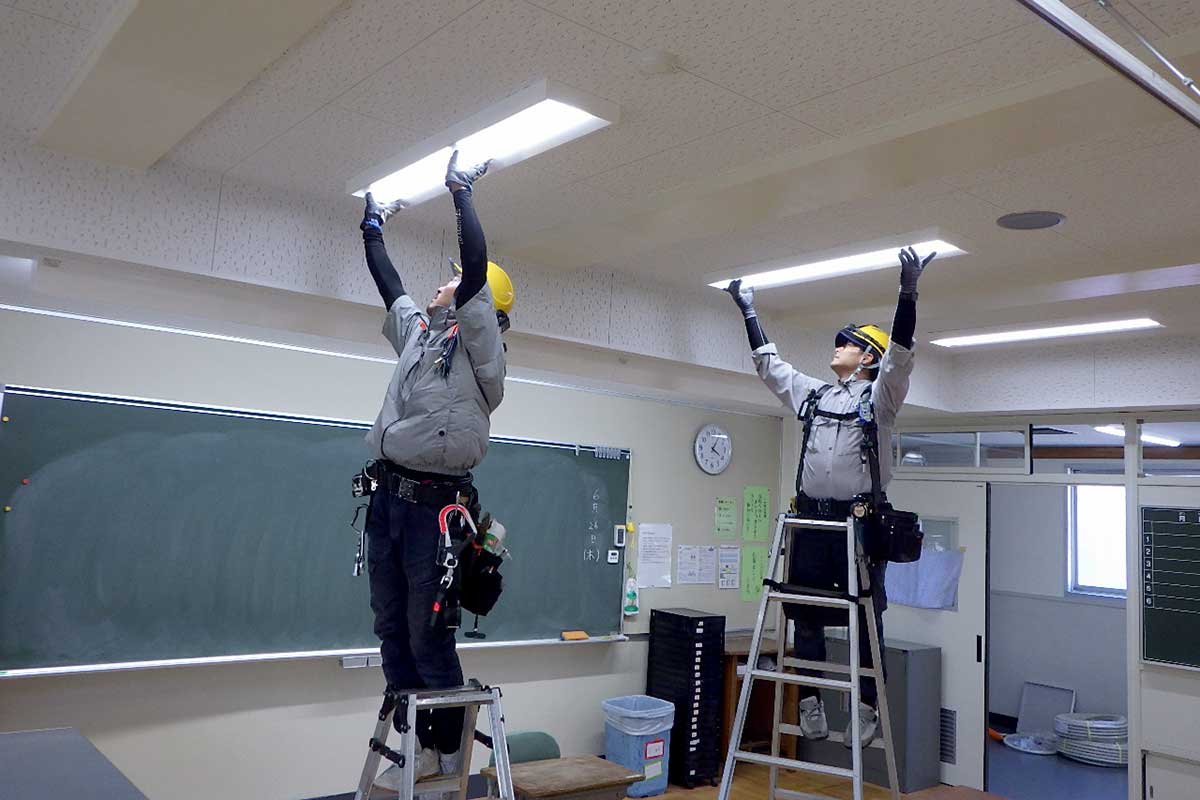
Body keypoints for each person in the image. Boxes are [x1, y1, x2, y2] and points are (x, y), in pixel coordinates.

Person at [724, 246, 935, 748]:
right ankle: (813, 701)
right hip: (811, 523)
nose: (835, 347)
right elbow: (769, 367)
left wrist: (908, 291)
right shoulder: (814, 395)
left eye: (846, 343)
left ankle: (864, 708)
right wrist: (748, 310)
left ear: (866, 357)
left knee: (863, 618)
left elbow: (901, 354)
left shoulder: (879, 398)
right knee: (806, 613)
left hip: (858, 524)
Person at [360, 151, 513, 791]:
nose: (443, 283)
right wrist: (372, 228)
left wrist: (461, 194)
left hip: (434, 508)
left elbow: (475, 271)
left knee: (428, 635)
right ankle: (417, 744)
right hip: (388, 500)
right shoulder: (422, 336)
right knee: (391, 627)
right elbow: (389, 284)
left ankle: (447, 753)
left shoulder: (485, 355)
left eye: (452, 281)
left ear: (482, 303)